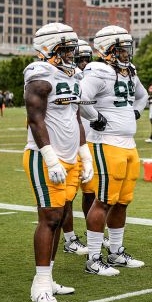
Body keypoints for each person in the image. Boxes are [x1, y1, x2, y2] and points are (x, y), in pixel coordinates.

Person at [23, 23, 94, 302]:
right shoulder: (39, 73)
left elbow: (75, 117)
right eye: (65, 48)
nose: (70, 54)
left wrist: (84, 153)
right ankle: (39, 282)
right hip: (45, 157)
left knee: (61, 216)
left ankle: (49, 276)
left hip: (71, 156)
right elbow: (35, 118)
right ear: (49, 48)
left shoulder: (74, 75)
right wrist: (50, 157)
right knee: (49, 218)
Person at [79, 24, 148, 273]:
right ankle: (94, 259)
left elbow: (142, 96)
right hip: (106, 142)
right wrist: (95, 116)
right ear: (107, 49)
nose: (126, 53)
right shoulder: (97, 70)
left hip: (128, 144)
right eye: (121, 49)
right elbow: (81, 96)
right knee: (104, 201)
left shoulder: (129, 72)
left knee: (123, 201)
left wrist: (136, 112)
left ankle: (116, 252)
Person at [60, 39, 95, 256]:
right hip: (71, 143)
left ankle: (93, 233)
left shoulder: (95, 76)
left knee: (92, 192)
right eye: (78, 58)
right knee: (67, 196)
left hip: (91, 141)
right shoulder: (67, 78)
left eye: (85, 59)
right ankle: (69, 237)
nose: (82, 63)